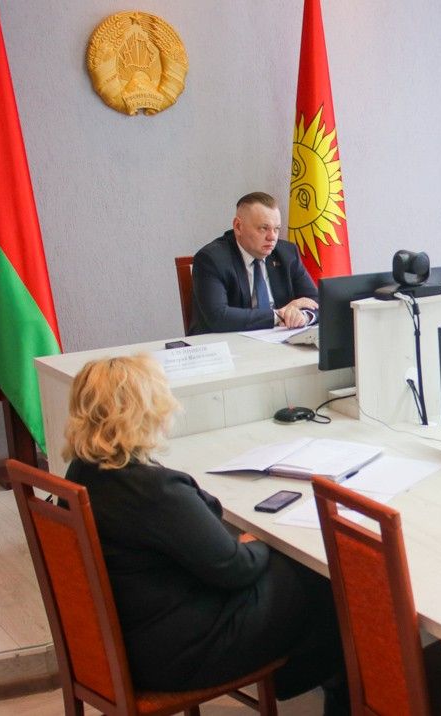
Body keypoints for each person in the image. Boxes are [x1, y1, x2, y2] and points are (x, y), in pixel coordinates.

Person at [61, 355, 347, 714]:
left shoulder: (80, 474)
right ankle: (339, 694)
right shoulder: (154, 490)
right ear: (145, 411)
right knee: (325, 580)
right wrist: (257, 543)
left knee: (300, 578)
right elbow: (235, 568)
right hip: (180, 653)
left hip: (130, 642)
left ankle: (311, 681)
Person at [190, 192, 319, 334]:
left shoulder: (287, 253)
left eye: (276, 229)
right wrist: (279, 315)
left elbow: (317, 301)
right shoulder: (211, 259)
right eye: (263, 228)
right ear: (238, 227)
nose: (272, 237)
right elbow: (218, 317)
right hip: (228, 342)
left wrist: (303, 316)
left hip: (277, 340)